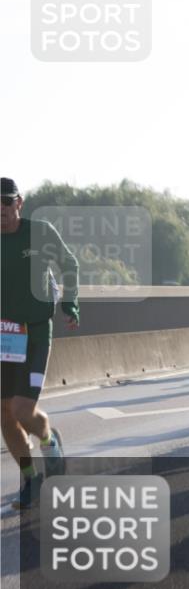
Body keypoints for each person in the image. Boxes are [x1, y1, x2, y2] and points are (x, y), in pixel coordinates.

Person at [1, 178, 76, 509]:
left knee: (22, 410)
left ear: (19, 202)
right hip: (4, 336)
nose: (0, 209)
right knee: (5, 414)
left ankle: (48, 439)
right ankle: (30, 479)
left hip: (34, 333)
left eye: (6, 202)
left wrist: (70, 303)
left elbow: (69, 264)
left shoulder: (40, 232)